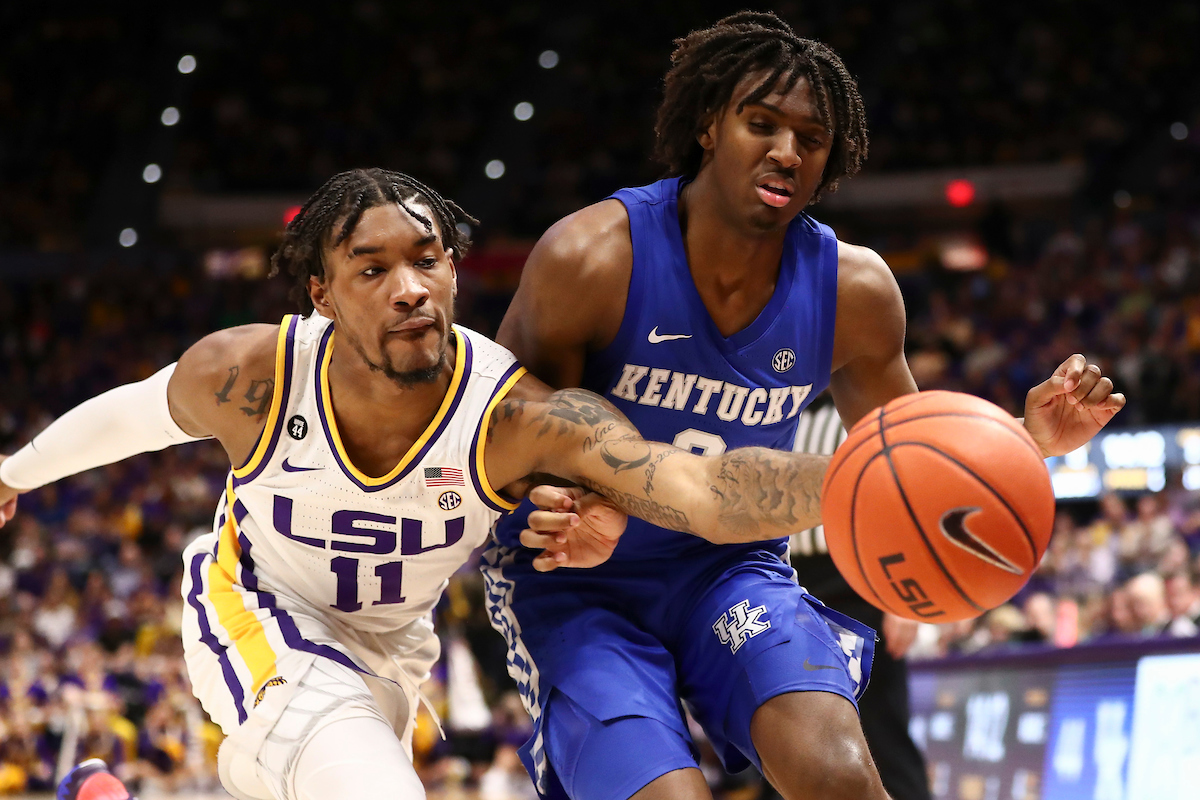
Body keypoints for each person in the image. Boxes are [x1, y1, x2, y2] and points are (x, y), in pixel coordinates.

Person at [0, 168, 864, 800]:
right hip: (258, 607)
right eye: (372, 271)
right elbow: (133, 415)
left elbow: (699, 487)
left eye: (427, 260)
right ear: (323, 295)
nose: (409, 288)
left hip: (389, 645)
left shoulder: (514, 415)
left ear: (455, 270)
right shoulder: (254, 374)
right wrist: (13, 473)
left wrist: (867, 481)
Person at [489, 12, 1125, 800]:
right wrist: (551, 499)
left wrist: (1028, 440)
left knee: (843, 778)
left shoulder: (854, 292)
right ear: (707, 126)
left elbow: (915, 473)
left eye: (811, 138)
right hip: (578, 578)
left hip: (732, 567)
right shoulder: (590, 257)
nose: (787, 152)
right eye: (762, 124)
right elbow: (501, 433)